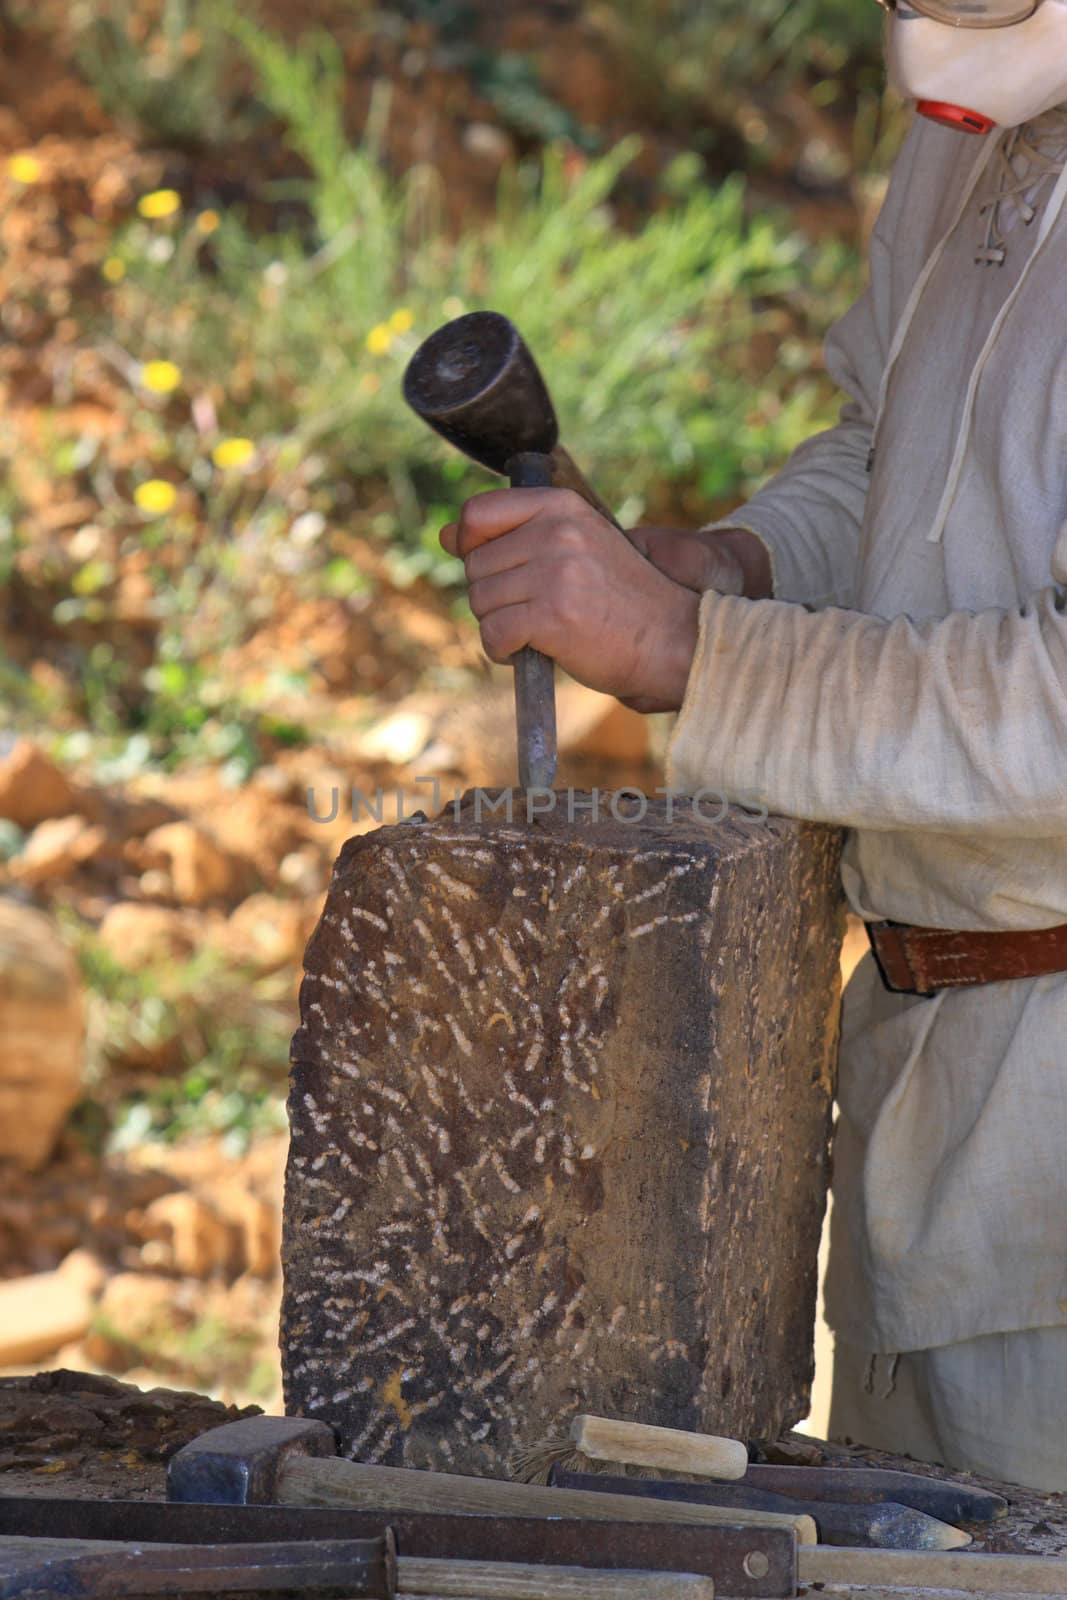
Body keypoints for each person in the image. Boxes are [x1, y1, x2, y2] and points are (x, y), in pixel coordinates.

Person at [441, 0, 1067, 1492]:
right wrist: (731, 568)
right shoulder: (973, 133)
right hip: (936, 1069)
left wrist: (686, 657)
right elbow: (887, 447)